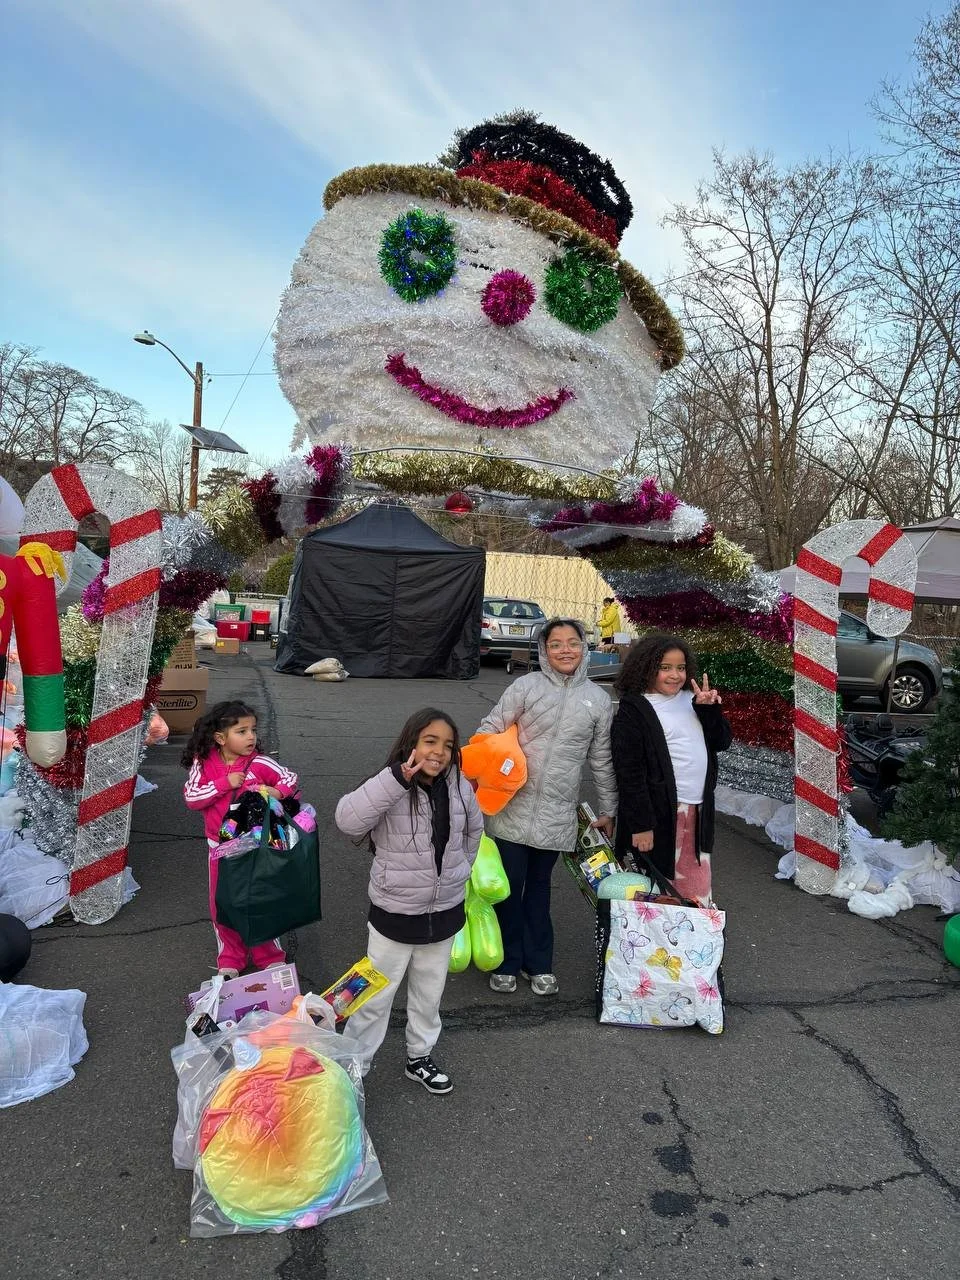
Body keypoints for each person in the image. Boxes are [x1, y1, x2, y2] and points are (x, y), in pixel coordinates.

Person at [335, 708, 483, 1094]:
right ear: (411, 744)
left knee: (428, 995)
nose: (439, 752)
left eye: (448, 745)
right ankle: (355, 1063)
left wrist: (459, 873)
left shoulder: (459, 785)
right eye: (430, 741)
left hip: (444, 913)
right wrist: (398, 778)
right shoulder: (389, 783)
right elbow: (347, 820)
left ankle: (419, 1057)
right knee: (373, 997)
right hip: (394, 915)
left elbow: (474, 831)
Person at [475, 618, 616, 996]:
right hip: (510, 805)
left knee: (539, 888)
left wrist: (609, 809)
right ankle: (505, 960)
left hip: (557, 812)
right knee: (508, 886)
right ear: (544, 651)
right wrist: (481, 773)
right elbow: (489, 730)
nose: (565, 650)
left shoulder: (599, 700)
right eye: (556, 644)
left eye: (573, 642)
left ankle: (538, 963)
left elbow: (602, 760)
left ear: (584, 648)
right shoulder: (525, 686)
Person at [610, 634, 731, 905]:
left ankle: (689, 944)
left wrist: (710, 711)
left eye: (680, 667)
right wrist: (641, 825)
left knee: (694, 890)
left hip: (697, 812)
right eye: (665, 667)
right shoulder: (635, 709)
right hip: (660, 815)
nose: (674, 675)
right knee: (654, 890)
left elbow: (721, 742)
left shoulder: (693, 699)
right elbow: (629, 773)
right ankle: (655, 946)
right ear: (646, 667)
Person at [183, 700, 301, 978]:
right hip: (220, 850)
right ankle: (231, 958)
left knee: (261, 900)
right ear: (220, 738)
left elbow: (290, 778)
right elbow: (191, 797)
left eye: (253, 730)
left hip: (257, 847)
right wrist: (225, 783)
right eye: (242, 731)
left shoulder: (259, 762)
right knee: (223, 903)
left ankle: (268, 955)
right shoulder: (204, 763)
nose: (251, 737)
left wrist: (277, 792)